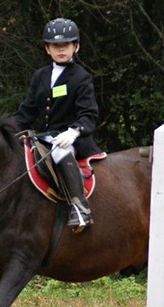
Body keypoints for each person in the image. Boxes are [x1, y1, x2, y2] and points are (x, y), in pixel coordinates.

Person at [14, 17, 103, 232]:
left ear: (76, 46)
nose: (61, 50)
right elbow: (26, 112)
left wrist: (73, 132)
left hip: (72, 140)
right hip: (44, 137)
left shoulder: (81, 77)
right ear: (47, 49)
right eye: (56, 46)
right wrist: (4, 131)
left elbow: (89, 114)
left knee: (59, 151)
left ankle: (81, 208)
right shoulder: (40, 76)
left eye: (66, 45)